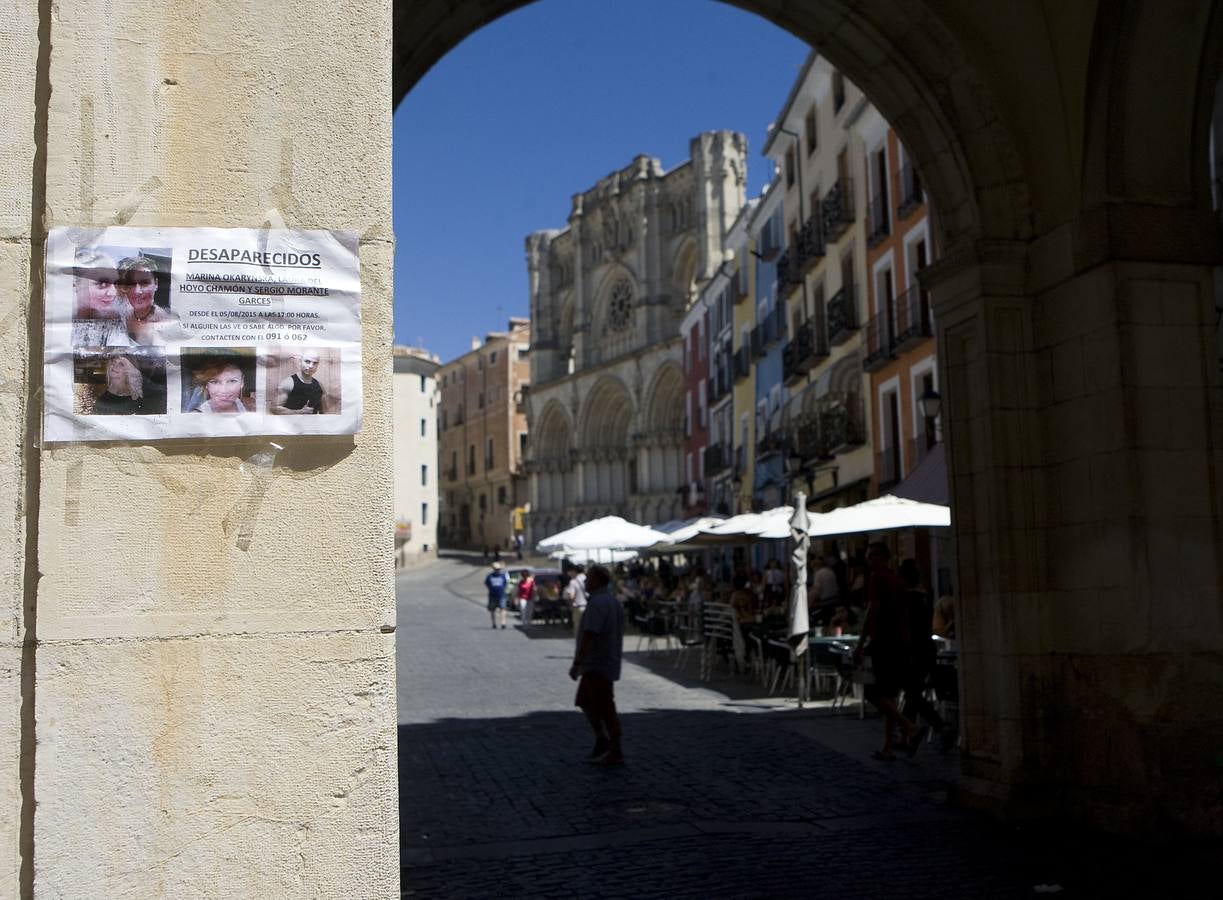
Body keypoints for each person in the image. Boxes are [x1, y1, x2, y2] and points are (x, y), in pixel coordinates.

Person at [853, 542, 925, 761]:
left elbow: (872, 611)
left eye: (871, 556)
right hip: (899, 644)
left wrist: (861, 642)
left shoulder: (878, 578)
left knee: (873, 694)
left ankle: (910, 727)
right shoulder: (898, 580)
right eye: (867, 556)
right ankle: (887, 747)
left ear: (882, 557)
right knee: (889, 695)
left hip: (883, 643)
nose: (868, 560)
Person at [569, 565, 625, 766]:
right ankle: (603, 740)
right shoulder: (610, 601)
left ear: (598, 581)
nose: (585, 582)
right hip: (603, 661)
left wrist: (578, 662)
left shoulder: (598, 604)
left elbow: (590, 635)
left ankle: (614, 748)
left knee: (605, 707)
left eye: (589, 578)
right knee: (585, 701)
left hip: (597, 663)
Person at [897, 558, 951, 752]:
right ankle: (909, 737)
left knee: (912, 694)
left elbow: (906, 629)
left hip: (913, 653)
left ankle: (937, 726)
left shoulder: (906, 599)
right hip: (927, 650)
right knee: (913, 695)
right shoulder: (925, 597)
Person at [72, 250, 132, 348]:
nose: (113, 293)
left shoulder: (114, 325)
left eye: (115, 284)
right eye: (102, 284)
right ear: (74, 283)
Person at [118, 255, 173, 345]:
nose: (137, 291)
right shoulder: (125, 313)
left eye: (144, 283)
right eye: (131, 284)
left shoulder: (164, 324)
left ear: (156, 284)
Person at [563, 564, 587, 636]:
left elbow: (572, 596)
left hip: (578, 607)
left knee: (578, 629)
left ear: (574, 571)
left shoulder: (573, 581)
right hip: (589, 607)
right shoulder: (589, 579)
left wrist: (570, 604)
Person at [485, 561, 509, 629]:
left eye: (498, 569)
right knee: (492, 610)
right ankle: (494, 623)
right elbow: (487, 583)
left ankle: (503, 623)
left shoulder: (503, 576)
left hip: (501, 595)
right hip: (492, 595)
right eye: (496, 569)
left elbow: (505, 584)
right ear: (493, 569)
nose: (497, 570)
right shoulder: (489, 576)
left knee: (503, 608)